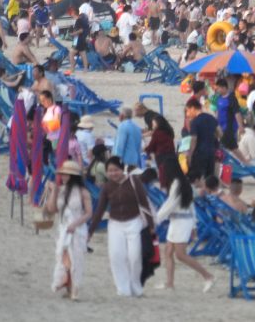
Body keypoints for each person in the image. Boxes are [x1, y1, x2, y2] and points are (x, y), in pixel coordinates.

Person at [87, 156, 155, 297]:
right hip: (115, 224)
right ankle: (123, 289)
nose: (113, 174)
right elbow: (99, 211)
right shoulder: (107, 187)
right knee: (116, 256)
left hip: (134, 222)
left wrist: (151, 225)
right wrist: (90, 231)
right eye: (110, 171)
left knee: (135, 256)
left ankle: (136, 287)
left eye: (116, 170)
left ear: (122, 169)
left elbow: (144, 204)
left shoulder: (134, 181)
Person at [154, 156, 215, 291]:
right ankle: (170, 283)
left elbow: (170, 203)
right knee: (168, 252)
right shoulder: (182, 182)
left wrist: (155, 219)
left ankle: (208, 276)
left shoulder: (178, 183)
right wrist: (194, 225)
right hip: (178, 220)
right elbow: (190, 205)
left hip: (181, 221)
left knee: (180, 255)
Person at [46, 160, 92, 300]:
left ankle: (75, 289)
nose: (64, 177)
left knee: (76, 258)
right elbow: (51, 209)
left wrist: (75, 224)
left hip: (77, 228)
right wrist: (53, 191)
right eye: (63, 174)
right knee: (63, 258)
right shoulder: (60, 189)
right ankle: (68, 287)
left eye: (67, 175)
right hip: (63, 227)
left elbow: (88, 213)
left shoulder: (83, 192)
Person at [184, 98, 219, 182]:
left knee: (195, 180)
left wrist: (189, 155)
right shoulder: (211, 118)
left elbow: (194, 140)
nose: (187, 114)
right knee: (209, 180)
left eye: (187, 111)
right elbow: (220, 133)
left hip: (199, 153)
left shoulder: (195, 122)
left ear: (192, 108)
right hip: (211, 152)